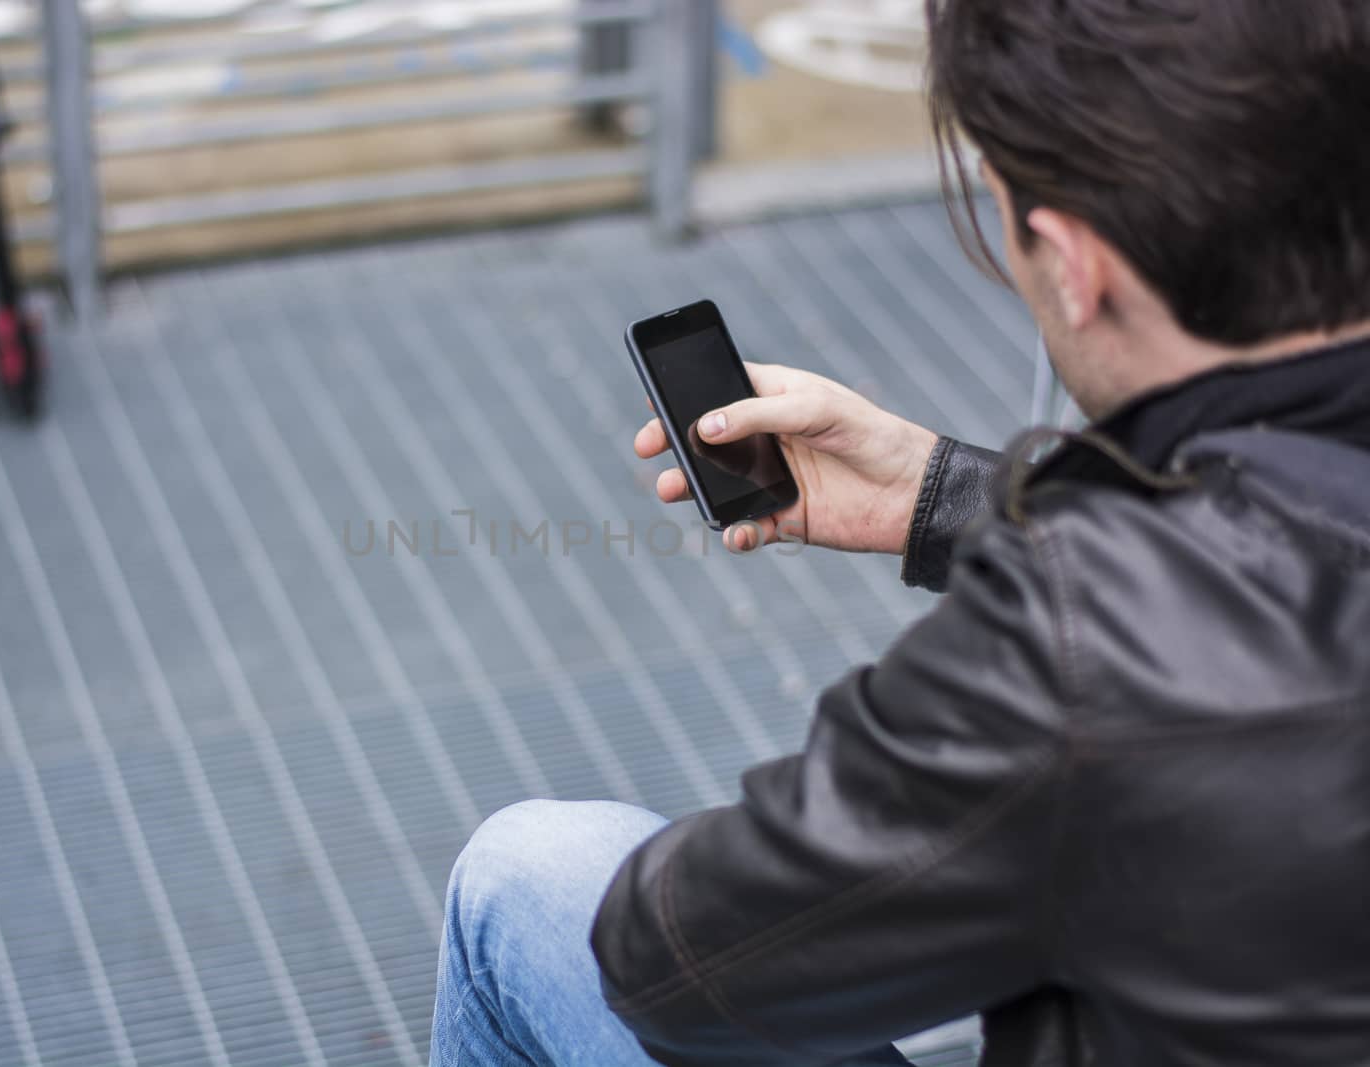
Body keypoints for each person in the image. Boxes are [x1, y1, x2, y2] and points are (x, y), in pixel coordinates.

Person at [430, 0, 1370, 1063]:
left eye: (1000, 207)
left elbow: (677, 960)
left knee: (528, 879)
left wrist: (1022, 599)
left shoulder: (1087, 645)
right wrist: (947, 494)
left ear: (1070, 261)